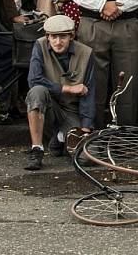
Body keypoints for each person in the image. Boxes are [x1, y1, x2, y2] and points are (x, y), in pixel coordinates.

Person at [23, 15, 95, 171]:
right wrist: (67, 88)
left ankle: (59, 138)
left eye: (63, 36)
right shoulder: (39, 46)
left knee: (86, 158)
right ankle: (37, 149)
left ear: (71, 36)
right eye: (53, 37)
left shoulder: (86, 53)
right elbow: (34, 80)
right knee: (36, 91)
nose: (58, 42)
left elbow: (89, 92)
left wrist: (85, 129)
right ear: (47, 37)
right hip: (48, 105)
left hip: (71, 109)